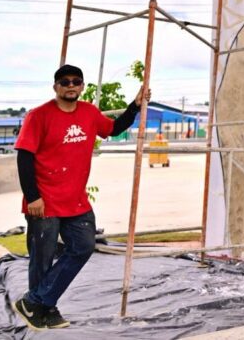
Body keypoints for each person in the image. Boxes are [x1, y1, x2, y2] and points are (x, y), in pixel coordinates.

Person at [13, 64, 148, 330]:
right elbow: (24, 157)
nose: (71, 85)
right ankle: (45, 309)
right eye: (65, 82)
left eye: (76, 81)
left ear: (82, 86)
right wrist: (33, 197)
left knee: (84, 246)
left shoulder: (88, 112)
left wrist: (135, 105)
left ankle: (35, 301)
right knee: (43, 257)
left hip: (76, 201)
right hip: (44, 201)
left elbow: (114, 128)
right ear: (56, 87)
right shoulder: (38, 116)